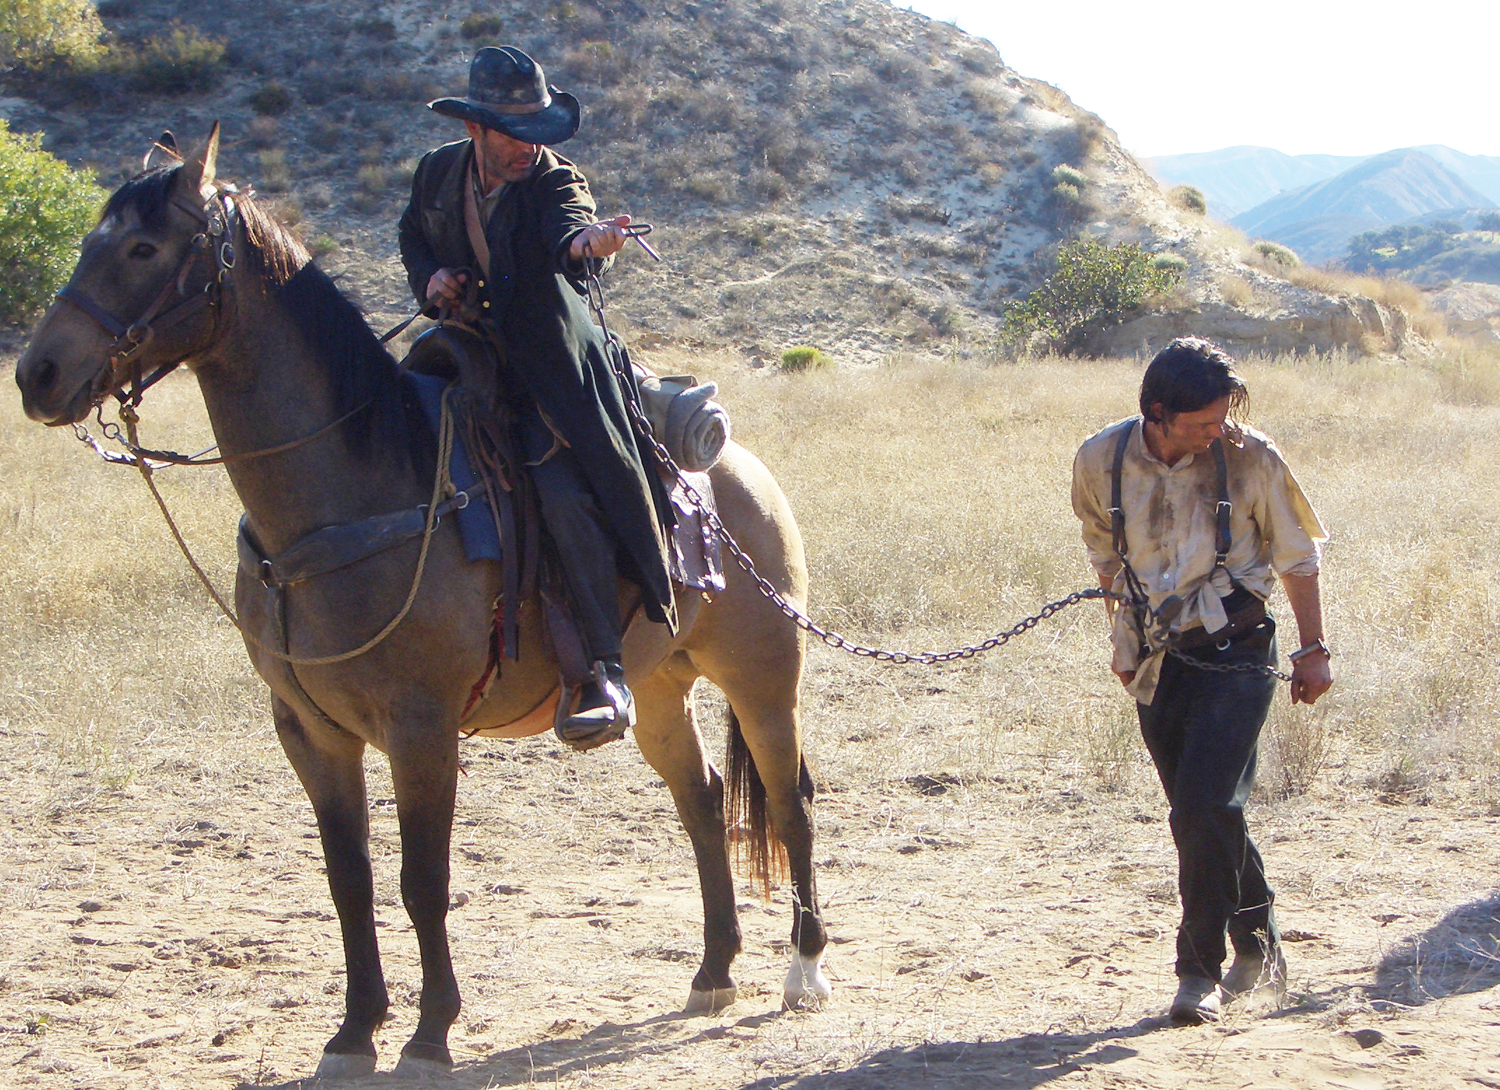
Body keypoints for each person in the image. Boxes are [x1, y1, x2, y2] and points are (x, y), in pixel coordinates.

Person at [398, 45, 676, 750]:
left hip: (548, 367)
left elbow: (566, 233)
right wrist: (431, 281)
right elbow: (412, 237)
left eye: (538, 134)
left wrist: (592, 241)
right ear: (476, 131)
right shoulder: (436, 174)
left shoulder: (553, 180)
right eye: (515, 134)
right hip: (461, 354)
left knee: (560, 488)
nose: (530, 147)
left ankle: (601, 672)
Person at [1070, 337, 1333, 1025]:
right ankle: (1259, 937)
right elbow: (1107, 560)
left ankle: (1197, 972)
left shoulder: (1252, 457)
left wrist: (1313, 650)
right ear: (1155, 411)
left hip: (1238, 651)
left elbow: (1298, 558)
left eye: (1221, 418)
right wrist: (1121, 639)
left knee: (1199, 810)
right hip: (1159, 661)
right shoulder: (1099, 460)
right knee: (1209, 814)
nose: (1218, 432)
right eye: (1201, 423)